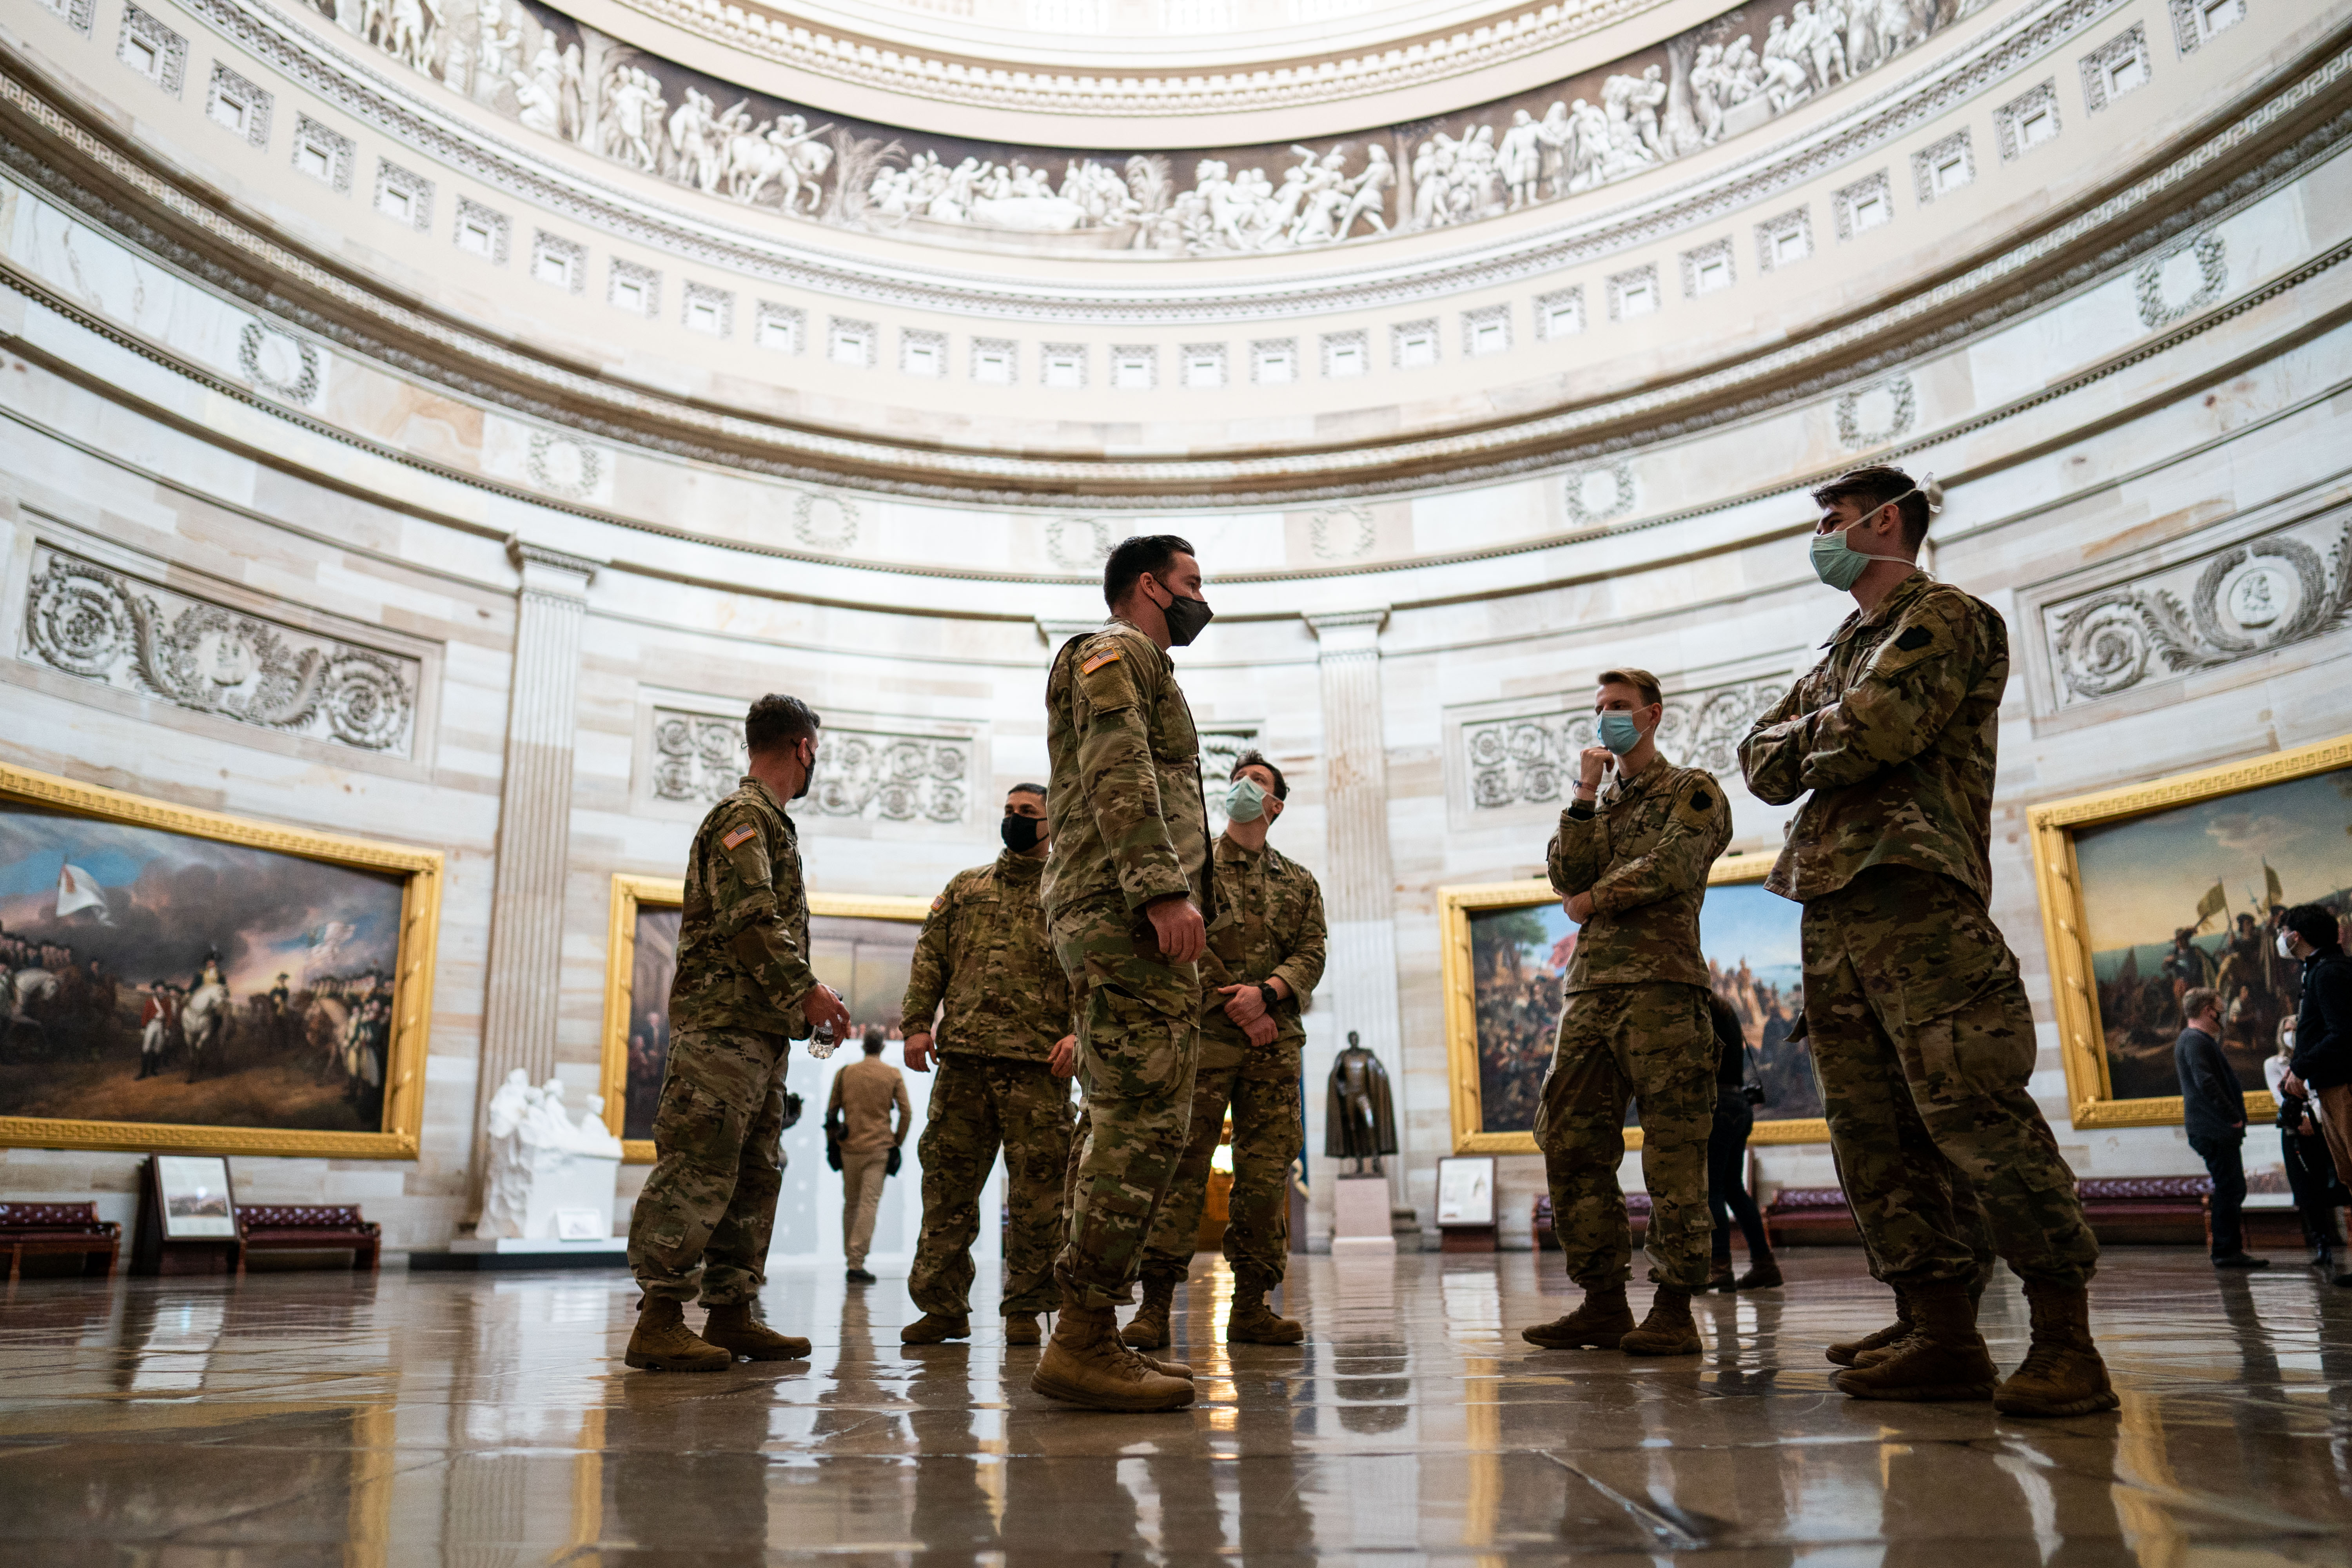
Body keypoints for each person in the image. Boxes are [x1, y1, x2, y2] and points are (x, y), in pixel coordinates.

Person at [1738, 465, 2115, 1417]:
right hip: (1834, 904)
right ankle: (1940, 1327)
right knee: (1874, 1131)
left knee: (1973, 1114)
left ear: (1887, 520)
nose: (1820, 538)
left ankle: (2065, 1338)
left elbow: (1874, 732)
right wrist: (1822, 729)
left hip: (1919, 900)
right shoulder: (1841, 649)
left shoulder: (1944, 617)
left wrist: (1816, 733)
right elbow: (1759, 761)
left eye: (1832, 521)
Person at [1034, 533, 1217, 1412]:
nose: (1198, 596)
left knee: (1128, 1119)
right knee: (1141, 1122)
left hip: (1118, 914)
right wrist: (1159, 890)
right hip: (1125, 914)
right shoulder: (1114, 651)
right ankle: (1081, 1335)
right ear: (1150, 586)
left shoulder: (1145, 662)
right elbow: (1119, 768)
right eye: (1190, 582)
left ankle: (1091, 1330)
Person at [625, 693, 852, 1373]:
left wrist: (798, 1002)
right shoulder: (744, 817)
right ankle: (661, 1317)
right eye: (815, 753)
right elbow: (750, 920)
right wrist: (805, 991)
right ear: (804, 748)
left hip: (758, 1033)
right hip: (723, 1032)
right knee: (699, 1164)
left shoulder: (772, 825)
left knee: (754, 1171)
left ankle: (731, 1311)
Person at [1522, 668, 1731, 1358]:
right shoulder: (1600, 804)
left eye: (1620, 707)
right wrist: (1584, 794)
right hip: (1589, 996)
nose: (1608, 717)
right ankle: (1603, 1301)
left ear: (1653, 715)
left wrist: (1593, 901)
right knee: (1571, 1144)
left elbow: (1673, 865)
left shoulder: (1691, 789)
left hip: (1663, 991)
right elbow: (1563, 874)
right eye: (1600, 708)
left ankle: (1674, 1307)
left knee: (1675, 1151)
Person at [1125, 748, 1328, 1351]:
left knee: (1265, 1177)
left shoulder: (1299, 881)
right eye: (1237, 778)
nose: (1242, 786)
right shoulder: (1192, 868)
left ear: (1275, 804)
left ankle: (1252, 1306)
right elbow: (1179, 938)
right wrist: (1235, 1003)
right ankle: (1154, 1306)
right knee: (1182, 1170)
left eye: (1256, 781)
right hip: (1204, 1038)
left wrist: (1266, 995)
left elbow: (1312, 952)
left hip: (1274, 1045)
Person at [899, 784, 1079, 1345]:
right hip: (965, 1063)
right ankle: (942, 1305)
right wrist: (915, 1024)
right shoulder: (966, 887)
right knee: (948, 1191)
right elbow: (930, 956)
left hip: (1039, 1068)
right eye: (1009, 812)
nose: (1015, 821)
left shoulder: (1070, 893)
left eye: (1027, 814)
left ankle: (1026, 1307)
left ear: (1053, 824)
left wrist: (1082, 1035)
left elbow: (1092, 971)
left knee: (1038, 1196)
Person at [2278, 902, 2352, 1288]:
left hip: (2345, 1086)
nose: (2281, 939)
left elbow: (2343, 1035)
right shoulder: (2320, 970)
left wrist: (2303, 1066)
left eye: (2284, 931)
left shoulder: (2329, 973)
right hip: (2332, 1086)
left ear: (2297, 936)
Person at [2176, 987, 2266, 1269]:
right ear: (2207, 1011)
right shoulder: (2194, 1041)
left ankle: (2229, 1250)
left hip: (2215, 1128)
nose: (2224, 1015)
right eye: (2220, 1009)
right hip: (2214, 1129)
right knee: (2230, 1188)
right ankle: (2226, 1252)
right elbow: (2206, 1082)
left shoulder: (2197, 1040)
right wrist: (2232, 1116)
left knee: (2232, 1187)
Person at [1705, 992, 1780, 1291]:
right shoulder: (1726, 1011)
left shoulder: (1702, 1012)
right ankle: (1765, 1265)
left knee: (1713, 1188)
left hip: (1717, 1105)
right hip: (1739, 1102)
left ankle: (1720, 1267)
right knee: (1734, 1189)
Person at [829, 1027, 912, 1285]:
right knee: (869, 1204)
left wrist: (832, 1144)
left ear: (863, 1045)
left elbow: (832, 1113)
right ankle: (857, 1262)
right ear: (883, 1047)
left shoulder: (845, 1073)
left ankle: (851, 1260)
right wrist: (897, 1140)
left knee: (851, 1204)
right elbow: (906, 1111)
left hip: (850, 1148)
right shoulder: (892, 1074)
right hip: (879, 1148)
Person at [2267, 1017, 2344, 1271]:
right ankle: (2322, 1244)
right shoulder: (2274, 1064)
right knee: (2307, 1188)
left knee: (2334, 1182)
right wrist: (2302, 1120)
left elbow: (2325, 1093)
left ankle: (2341, 1237)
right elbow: (2282, 1096)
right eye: (2287, 1030)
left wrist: (2317, 1119)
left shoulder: (2319, 1058)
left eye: (2297, 1030)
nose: (2291, 1034)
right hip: (2295, 1129)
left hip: (2324, 1126)